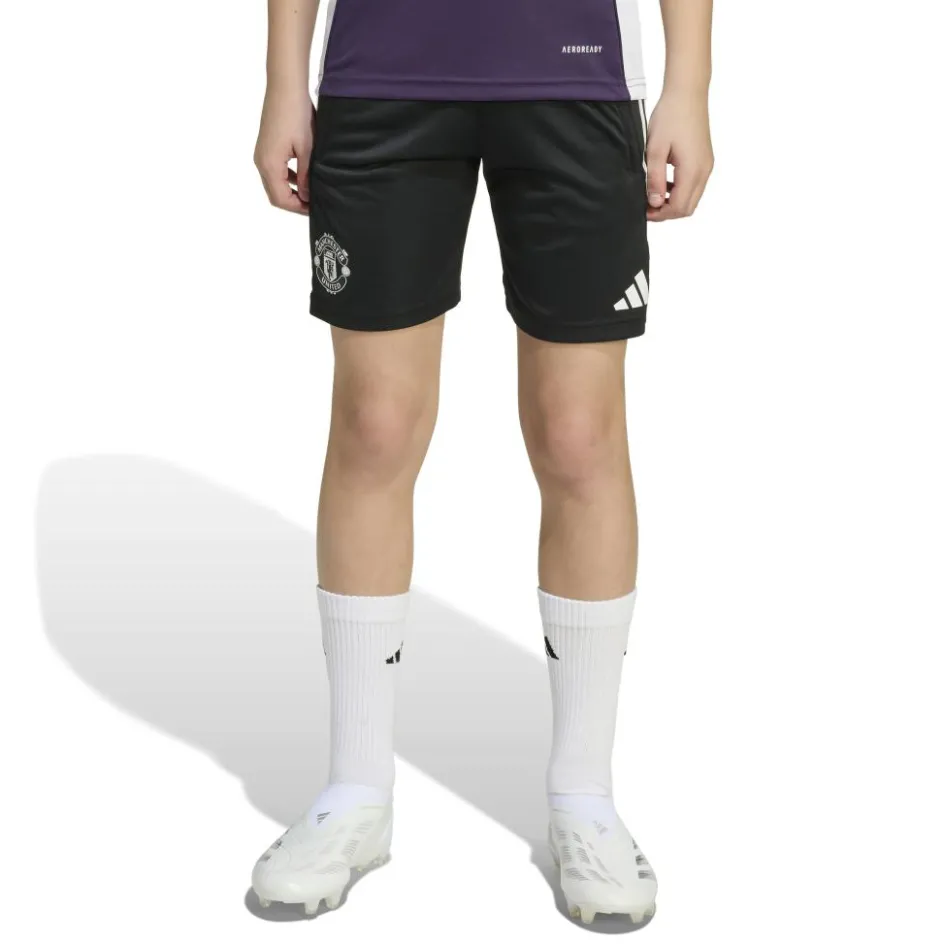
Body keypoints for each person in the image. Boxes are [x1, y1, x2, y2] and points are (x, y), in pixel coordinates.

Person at [250, 0, 713, 925]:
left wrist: (690, 84)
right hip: (382, 74)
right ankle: (356, 791)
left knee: (579, 434)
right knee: (375, 423)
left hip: (574, 74)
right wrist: (282, 81)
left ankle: (584, 797)